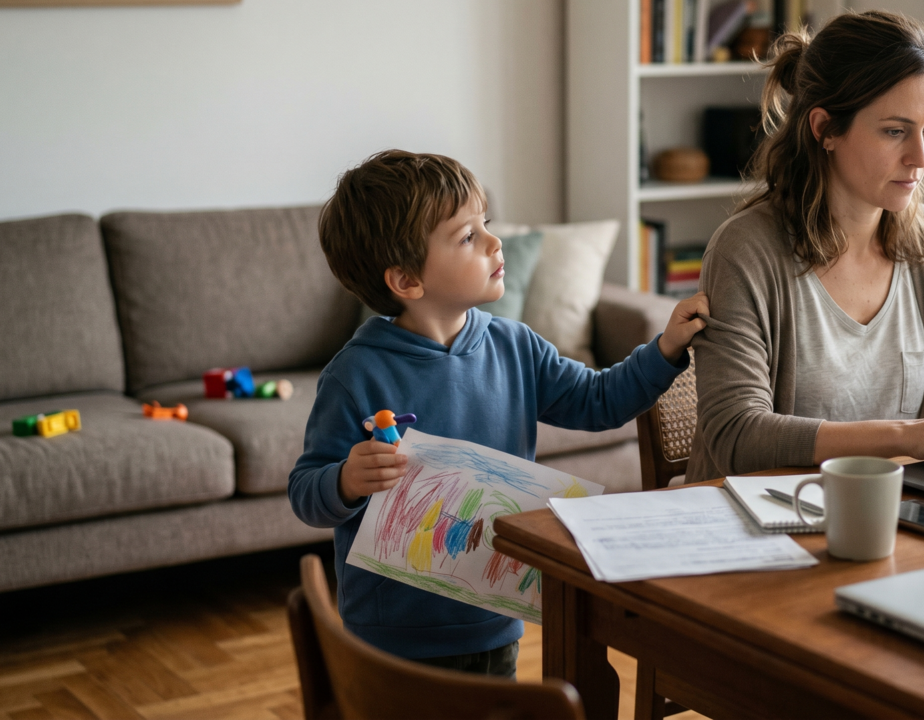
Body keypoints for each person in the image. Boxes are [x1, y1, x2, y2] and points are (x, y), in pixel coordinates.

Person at [289, 150, 708, 676]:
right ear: (406, 281)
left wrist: (666, 348)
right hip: (390, 639)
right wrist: (346, 481)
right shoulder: (354, 375)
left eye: (485, 224)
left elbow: (600, 401)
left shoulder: (515, 346)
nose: (494, 241)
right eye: (468, 237)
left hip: (494, 621)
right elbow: (306, 493)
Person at [686, 10, 924, 484]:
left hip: (896, 524)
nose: (919, 157)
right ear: (825, 129)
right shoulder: (746, 251)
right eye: (895, 131)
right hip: (764, 529)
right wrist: (908, 436)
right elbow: (737, 435)